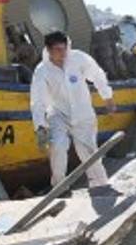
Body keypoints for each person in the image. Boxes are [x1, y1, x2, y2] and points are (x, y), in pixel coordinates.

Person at [30, 30, 117, 189]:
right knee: (58, 146)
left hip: (83, 112)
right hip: (58, 113)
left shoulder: (78, 58)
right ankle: (59, 187)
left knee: (89, 152)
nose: (62, 53)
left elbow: (97, 75)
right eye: (57, 50)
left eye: (64, 48)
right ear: (48, 50)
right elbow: (38, 100)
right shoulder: (42, 70)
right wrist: (40, 126)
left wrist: (108, 97)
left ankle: (100, 186)